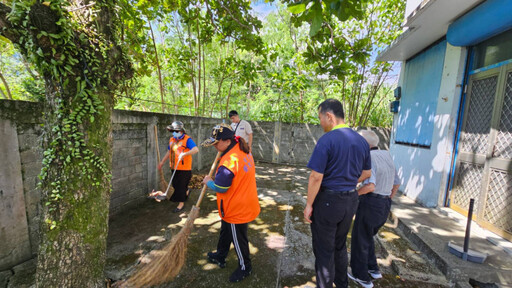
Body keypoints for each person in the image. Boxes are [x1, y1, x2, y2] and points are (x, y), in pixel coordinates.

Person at [304, 99, 371, 288]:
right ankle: (342, 284)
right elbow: (367, 173)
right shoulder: (361, 140)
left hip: (328, 202)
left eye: (320, 118)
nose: (320, 123)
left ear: (329, 116)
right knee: (339, 246)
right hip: (350, 200)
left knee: (324, 250)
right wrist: (348, 180)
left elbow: (316, 177)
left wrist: (309, 204)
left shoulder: (327, 140)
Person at [201, 123, 260, 283]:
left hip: (236, 207)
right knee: (225, 231)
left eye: (216, 143)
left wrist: (208, 182)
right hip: (244, 199)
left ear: (227, 141)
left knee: (239, 238)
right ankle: (221, 255)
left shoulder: (229, 162)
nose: (214, 147)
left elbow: (221, 187)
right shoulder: (242, 148)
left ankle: (245, 266)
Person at [348, 130, 400, 288]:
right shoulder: (386, 155)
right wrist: (387, 199)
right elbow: (397, 183)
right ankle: (373, 269)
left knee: (360, 239)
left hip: (371, 204)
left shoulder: (368, 158)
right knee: (368, 236)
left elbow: (370, 186)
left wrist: (354, 195)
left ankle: (361, 276)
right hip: (384, 204)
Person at [157, 121, 199, 213]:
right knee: (176, 185)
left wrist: (185, 154)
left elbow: (196, 149)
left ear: (180, 131)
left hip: (184, 168)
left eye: (175, 131)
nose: (173, 133)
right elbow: (169, 152)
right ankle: (187, 191)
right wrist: (162, 162)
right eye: (172, 131)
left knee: (180, 187)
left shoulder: (187, 139)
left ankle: (181, 204)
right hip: (173, 167)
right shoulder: (172, 139)